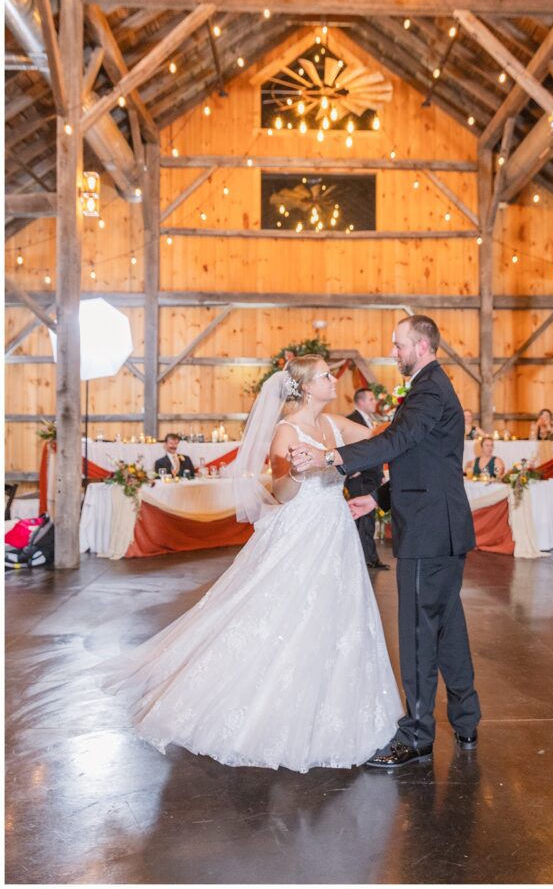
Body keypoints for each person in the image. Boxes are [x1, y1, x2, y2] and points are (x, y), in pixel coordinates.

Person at [95, 356, 402, 772]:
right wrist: (295, 469)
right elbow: (282, 492)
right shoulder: (285, 432)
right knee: (284, 616)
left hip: (336, 531)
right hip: (301, 532)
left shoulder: (335, 425)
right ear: (307, 387)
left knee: (337, 616)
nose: (334, 380)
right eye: (327, 375)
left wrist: (403, 418)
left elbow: (382, 441)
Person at [291, 315, 481, 769]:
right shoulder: (430, 387)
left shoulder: (430, 388)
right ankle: (466, 717)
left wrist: (331, 457)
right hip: (440, 525)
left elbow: (399, 439)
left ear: (421, 345)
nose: (393, 353)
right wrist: (376, 497)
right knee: (447, 624)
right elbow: (424, 461)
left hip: (430, 531)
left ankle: (415, 735)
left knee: (418, 632)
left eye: (398, 346)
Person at [345, 388, 390, 570]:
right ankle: (366, 558)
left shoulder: (371, 421)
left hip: (371, 475)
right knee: (364, 519)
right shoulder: (351, 420)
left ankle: (365, 557)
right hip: (360, 476)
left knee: (367, 519)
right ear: (361, 402)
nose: (374, 402)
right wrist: (352, 469)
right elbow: (347, 447)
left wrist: (379, 474)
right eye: (371, 399)